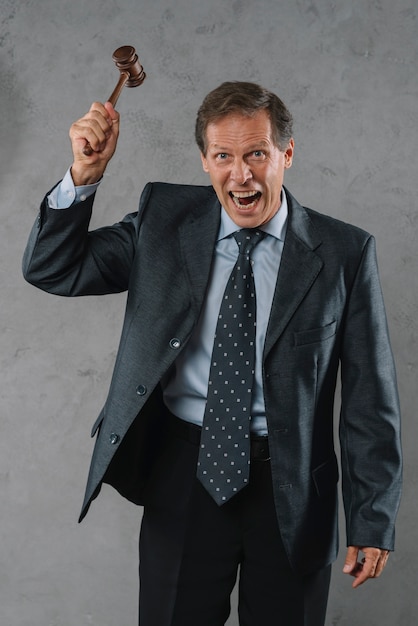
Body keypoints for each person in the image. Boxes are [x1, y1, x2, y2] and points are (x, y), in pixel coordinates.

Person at [23, 81, 402, 626]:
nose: (241, 174)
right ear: (204, 161)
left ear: (286, 155)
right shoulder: (163, 222)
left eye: (256, 155)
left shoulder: (343, 252)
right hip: (185, 472)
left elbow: (370, 401)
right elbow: (51, 267)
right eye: (223, 156)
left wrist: (372, 518)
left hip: (291, 488)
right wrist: (84, 177)